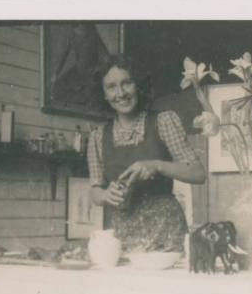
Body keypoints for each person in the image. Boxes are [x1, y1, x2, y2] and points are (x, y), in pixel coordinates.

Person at [87, 55, 206, 253]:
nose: (120, 93)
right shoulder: (98, 137)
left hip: (166, 234)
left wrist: (157, 165)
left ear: (138, 85)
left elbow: (198, 173)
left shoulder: (163, 122)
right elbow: (95, 192)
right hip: (120, 238)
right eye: (111, 87)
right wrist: (106, 194)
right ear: (103, 95)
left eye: (127, 83)